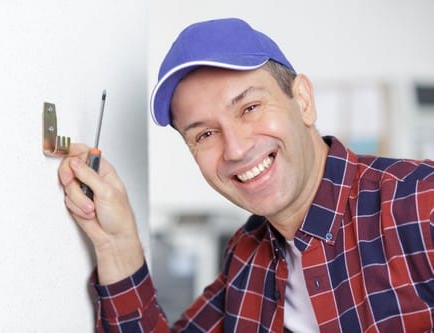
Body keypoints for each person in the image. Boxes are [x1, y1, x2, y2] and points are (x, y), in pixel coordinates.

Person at [58, 18, 434, 333]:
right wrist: (116, 243)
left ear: (302, 100)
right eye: (205, 134)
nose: (236, 149)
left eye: (250, 107)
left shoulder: (420, 205)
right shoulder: (246, 258)